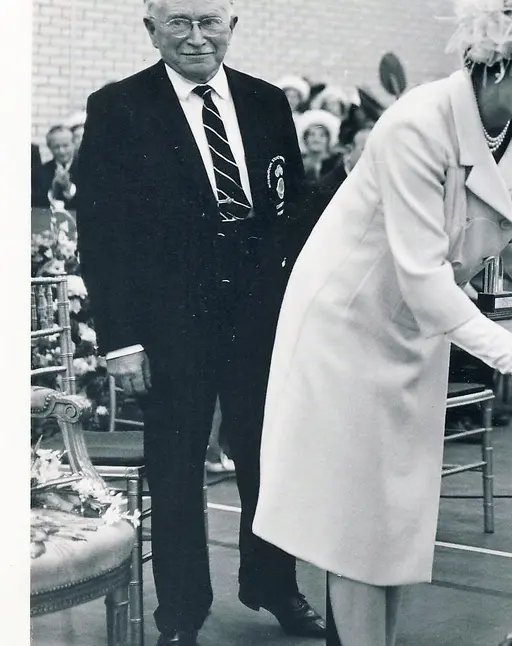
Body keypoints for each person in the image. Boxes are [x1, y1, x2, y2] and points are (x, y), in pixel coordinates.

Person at [251, 1, 512, 643]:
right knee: (359, 534)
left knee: (396, 531)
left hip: (420, 331)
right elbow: (427, 286)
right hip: (346, 332)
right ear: (502, 59)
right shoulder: (416, 124)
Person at [72, 1, 324, 643]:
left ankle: (274, 585)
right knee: (177, 472)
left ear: (232, 27)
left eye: (209, 20)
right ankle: (180, 614)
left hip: (261, 321)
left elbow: (294, 214)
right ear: (151, 29)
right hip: (168, 328)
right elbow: (101, 236)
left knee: (270, 462)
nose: (195, 36)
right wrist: (121, 340)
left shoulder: (268, 103)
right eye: (178, 22)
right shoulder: (119, 107)